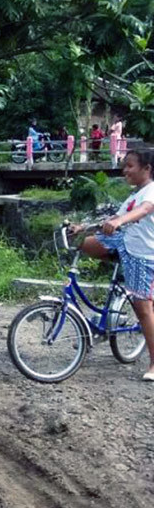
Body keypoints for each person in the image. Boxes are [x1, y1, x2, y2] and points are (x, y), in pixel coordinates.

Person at [74, 149, 154, 381]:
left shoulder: (151, 191)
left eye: (130, 166)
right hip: (123, 244)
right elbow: (110, 220)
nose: (124, 170)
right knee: (84, 243)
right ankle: (118, 287)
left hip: (143, 254)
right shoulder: (134, 195)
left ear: (147, 169)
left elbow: (144, 210)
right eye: (124, 166)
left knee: (143, 308)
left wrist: (120, 221)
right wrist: (83, 227)